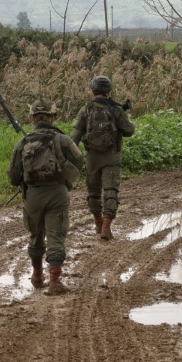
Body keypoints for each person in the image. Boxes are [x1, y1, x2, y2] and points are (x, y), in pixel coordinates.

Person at [7, 99, 83, 295]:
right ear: (53, 117)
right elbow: (78, 159)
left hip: (32, 195)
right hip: (57, 193)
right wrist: (66, 179)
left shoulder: (22, 143)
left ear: (32, 117)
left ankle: (37, 276)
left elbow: (13, 175)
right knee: (56, 235)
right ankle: (55, 281)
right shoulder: (63, 140)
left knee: (35, 236)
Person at [70, 75, 134, 241]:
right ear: (108, 91)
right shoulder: (115, 109)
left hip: (91, 157)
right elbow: (129, 131)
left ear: (92, 90)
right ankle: (106, 226)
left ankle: (98, 221)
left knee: (93, 192)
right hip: (111, 156)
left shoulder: (86, 109)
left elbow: (75, 136)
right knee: (110, 190)